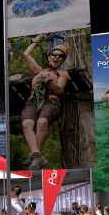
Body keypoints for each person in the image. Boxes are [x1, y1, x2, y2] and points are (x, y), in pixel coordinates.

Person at [20, 35, 71, 169]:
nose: (56, 57)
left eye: (60, 56)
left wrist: (48, 80)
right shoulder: (39, 70)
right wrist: (35, 41)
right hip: (33, 101)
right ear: (49, 57)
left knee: (42, 121)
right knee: (27, 123)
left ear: (62, 60)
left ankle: (35, 157)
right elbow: (26, 54)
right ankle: (37, 155)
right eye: (54, 54)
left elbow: (59, 90)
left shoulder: (62, 73)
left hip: (51, 101)